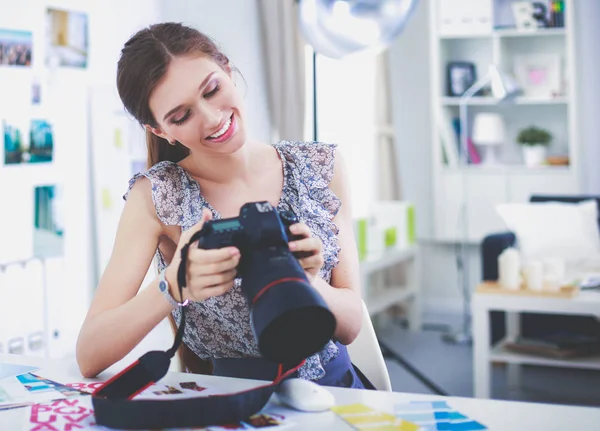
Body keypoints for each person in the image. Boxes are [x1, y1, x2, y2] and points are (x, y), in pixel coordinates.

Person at [76, 22, 368, 389]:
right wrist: (173, 285)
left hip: (336, 396)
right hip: (235, 403)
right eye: (181, 116)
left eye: (212, 89)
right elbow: (89, 354)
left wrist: (308, 280)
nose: (212, 118)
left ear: (228, 71)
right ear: (160, 131)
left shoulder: (320, 166)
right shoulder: (158, 196)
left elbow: (352, 324)